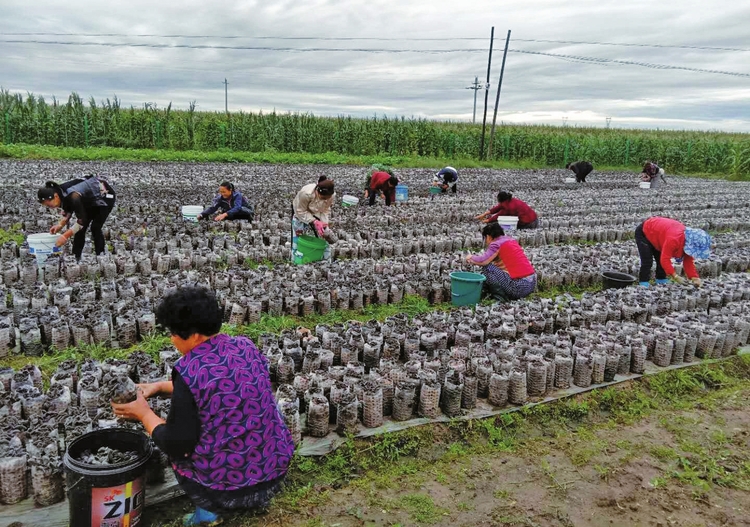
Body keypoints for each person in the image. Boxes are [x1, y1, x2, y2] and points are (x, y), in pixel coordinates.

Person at [112, 286, 295, 526]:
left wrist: (143, 413)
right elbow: (218, 386)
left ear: (195, 335)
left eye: (174, 333)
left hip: (229, 491)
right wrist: (158, 386)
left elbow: (176, 443)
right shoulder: (244, 346)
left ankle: (207, 512)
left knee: (177, 449)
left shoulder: (189, 370)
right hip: (273, 471)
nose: (171, 339)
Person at [37, 175, 116, 261]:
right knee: (80, 230)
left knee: (95, 227)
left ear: (55, 196)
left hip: (105, 196)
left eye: (49, 204)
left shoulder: (73, 196)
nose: (50, 207)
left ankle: (101, 255)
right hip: (89, 199)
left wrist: (65, 236)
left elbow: (81, 221)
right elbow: (68, 207)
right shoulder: (61, 192)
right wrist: (60, 225)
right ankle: (76, 257)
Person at [466, 222, 537, 301]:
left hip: (519, 287)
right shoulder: (510, 240)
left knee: (488, 268)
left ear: (488, 237)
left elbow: (484, 261)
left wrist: (470, 257)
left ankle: (500, 297)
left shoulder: (496, 244)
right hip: (531, 284)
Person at [635, 216, 711, 288]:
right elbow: (665, 260)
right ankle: (643, 283)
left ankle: (661, 280)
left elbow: (688, 261)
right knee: (647, 261)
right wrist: (675, 276)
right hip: (645, 232)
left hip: (658, 235)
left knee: (659, 259)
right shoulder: (674, 239)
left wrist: (694, 277)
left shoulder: (688, 241)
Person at [292, 176, 336, 261]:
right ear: (317, 192)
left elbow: (325, 210)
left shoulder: (332, 195)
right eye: (323, 198)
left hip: (318, 213)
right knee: (298, 240)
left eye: (327, 198)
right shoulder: (306, 193)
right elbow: (300, 211)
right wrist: (314, 221)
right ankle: (297, 262)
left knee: (324, 240)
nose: (325, 200)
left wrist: (324, 224)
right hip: (301, 214)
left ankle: (325, 262)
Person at [475, 191, 539, 229]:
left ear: (500, 200)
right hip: (534, 219)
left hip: (529, 223)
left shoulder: (509, 207)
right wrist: (484, 214)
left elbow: (499, 215)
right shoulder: (509, 200)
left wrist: (487, 220)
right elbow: (497, 208)